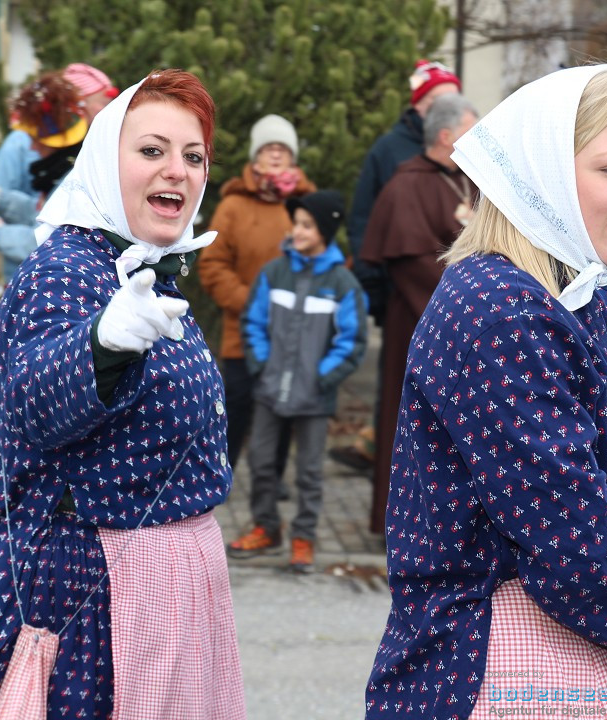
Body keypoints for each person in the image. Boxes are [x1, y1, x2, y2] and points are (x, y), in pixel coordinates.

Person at [364, 64, 607, 720]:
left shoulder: (571, 290)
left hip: (556, 652)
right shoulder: (504, 306)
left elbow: (593, 433)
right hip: (488, 663)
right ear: (543, 171)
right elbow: (566, 527)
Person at [0, 69, 245, 718]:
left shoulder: (146, 268)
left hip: (165, 594)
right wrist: (102, 343)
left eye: (193, 156)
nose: (176, 170)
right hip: (86, 595)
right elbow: (30, 399)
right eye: (151, 150)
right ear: (102, 159)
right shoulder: (67, 266)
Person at [329, 59, 462, 474]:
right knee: (399, 396)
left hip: (446, 295)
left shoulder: (461, 158)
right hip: (405, 293)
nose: (452, 104)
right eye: (443, 98)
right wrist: (377, 289)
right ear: (423, 105)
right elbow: (367, 221)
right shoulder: (390, 151)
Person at [358, 92, 478, 534]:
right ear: (446, 135)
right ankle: (401, 524)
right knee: (408, 423)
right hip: (419, 323)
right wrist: (467, 307)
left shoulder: (473, 182)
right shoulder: (405, 184)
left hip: (474, 328)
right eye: (469, 129)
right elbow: (411, 265)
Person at [231, 190, 367, 571]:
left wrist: (323, 377)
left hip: (315, 396)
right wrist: (261, 365)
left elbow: (351, 340)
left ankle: (304, 536)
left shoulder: (343, 284)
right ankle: (265, 527)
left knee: (309, 472)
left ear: (325, 231)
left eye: (307, 225)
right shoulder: (273, 274)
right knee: (260, 461)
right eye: (297, 223)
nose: (298, 230)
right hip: (270, 388)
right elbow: (253, 323)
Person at [198, 113, 315, 532]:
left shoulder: (306, 204)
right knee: (237, 408)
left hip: (295, 334)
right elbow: (212, 264)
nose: (276, 156)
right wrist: (252, 304)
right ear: (256, 157)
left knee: (282, 409)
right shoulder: (232, 205)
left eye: (283, 150)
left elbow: (330, 259)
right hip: (243, 333)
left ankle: (271, 481)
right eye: (269, 149)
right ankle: (218, 474)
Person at [0, 63, 118, 282]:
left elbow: (49, 236)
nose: (31, 146)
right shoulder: (50, 159)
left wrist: (0, 232)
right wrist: (1, 201)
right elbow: (45, 212)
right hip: (29, 278)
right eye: (101, 104)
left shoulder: (80, 170)